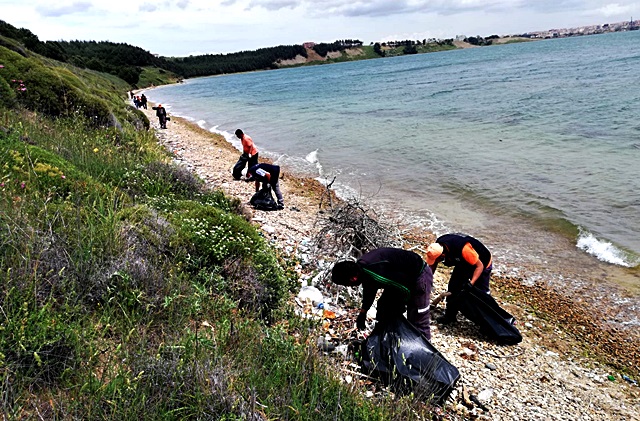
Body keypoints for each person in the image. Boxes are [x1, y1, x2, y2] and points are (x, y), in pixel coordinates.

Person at [331, 247, 433, 340]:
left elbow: (403, 288)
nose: (350, 287)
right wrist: (363, 313)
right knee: (384, 307)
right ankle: (389, 339)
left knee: (418, 317)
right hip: (398, 279)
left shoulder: (375, 271)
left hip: (418, 276)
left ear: (353, 278)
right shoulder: (362, 270)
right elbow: (369, 291)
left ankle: (427, 354)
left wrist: (405, 304)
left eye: (348, 284)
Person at [426, 233, 493, 325]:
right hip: (463, 263)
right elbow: (432, 265)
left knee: (482, 293)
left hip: (482, 263)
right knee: (454, 287)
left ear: (443, 256)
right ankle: (450, 316)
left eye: (438, 260)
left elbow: (479, 266)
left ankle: (489, 321)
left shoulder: (464, 249)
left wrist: (471, 283)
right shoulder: (437, 247)